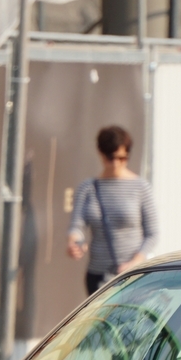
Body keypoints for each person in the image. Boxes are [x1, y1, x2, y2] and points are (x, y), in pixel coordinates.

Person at [66, 126, 160, 296]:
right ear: (101, 154)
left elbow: (152, 234)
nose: (116, 163)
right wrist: (74, 242)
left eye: (122, 158)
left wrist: (135, 262)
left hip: (132, 276)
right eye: (110, 157)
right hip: (99, 276)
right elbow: (77, 226)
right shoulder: (88, 188)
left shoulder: (140, 187)